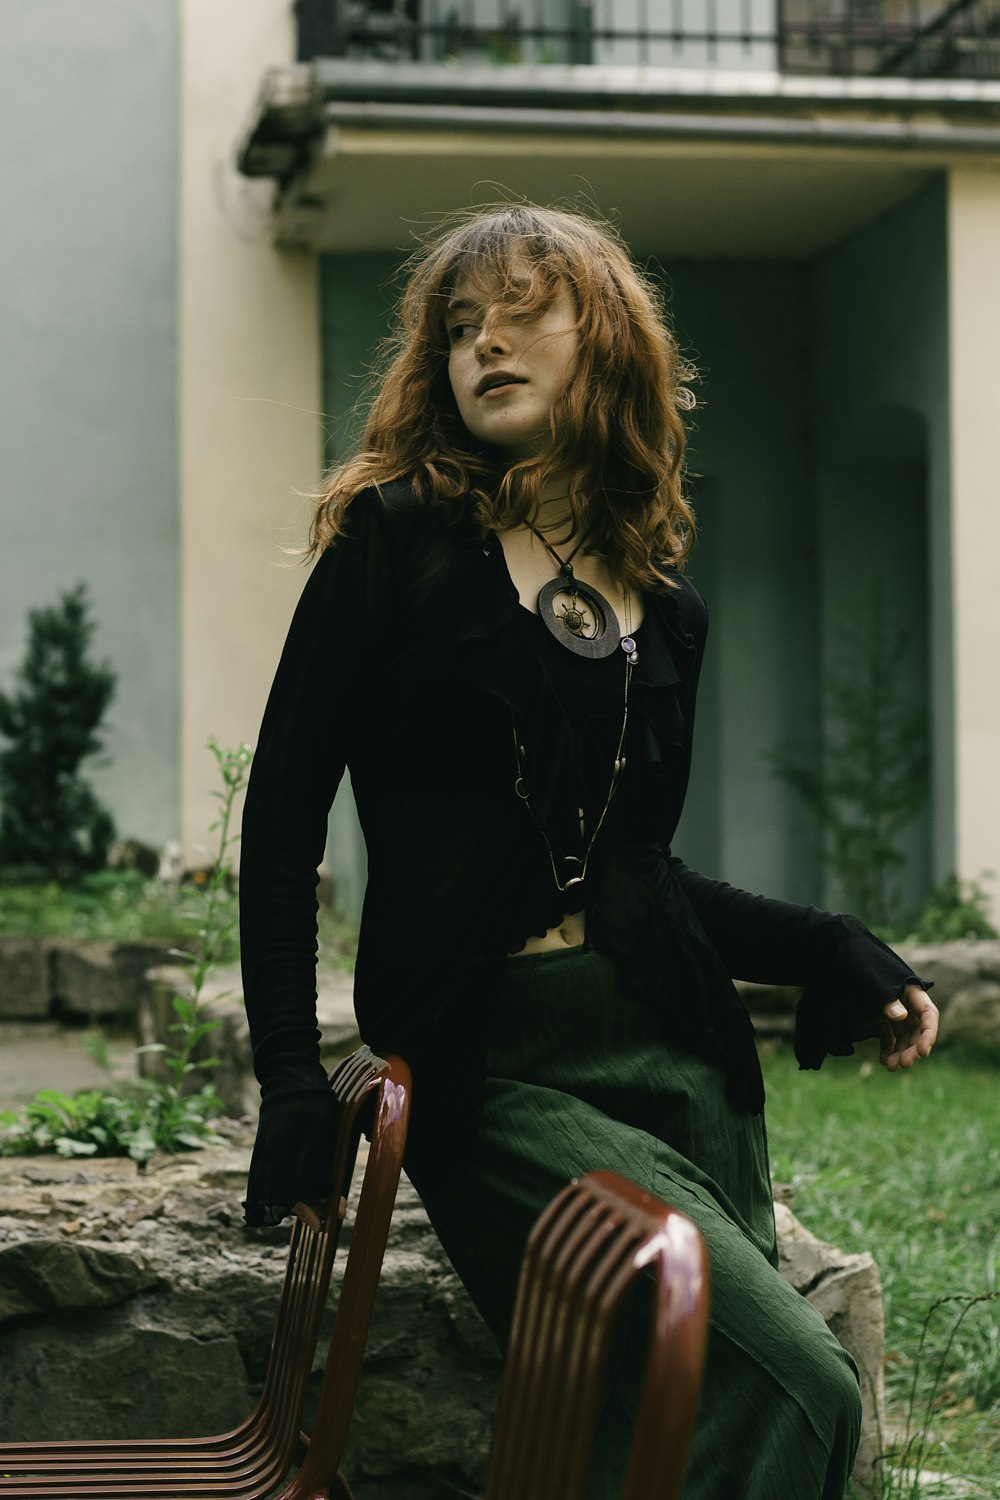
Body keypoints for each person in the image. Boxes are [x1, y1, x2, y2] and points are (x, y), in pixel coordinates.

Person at [238, 204, 938, 1499]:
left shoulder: (663, 609)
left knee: (655, 1424)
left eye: (522, 314)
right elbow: (282, 822)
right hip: (486, 1064)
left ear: (604, 340)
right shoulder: (390, 547)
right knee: (793, 1379)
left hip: (674, 1057)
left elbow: (638, 878)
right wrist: (290, 1074)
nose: (484, 345)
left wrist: (827, 945)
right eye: (458, 328)